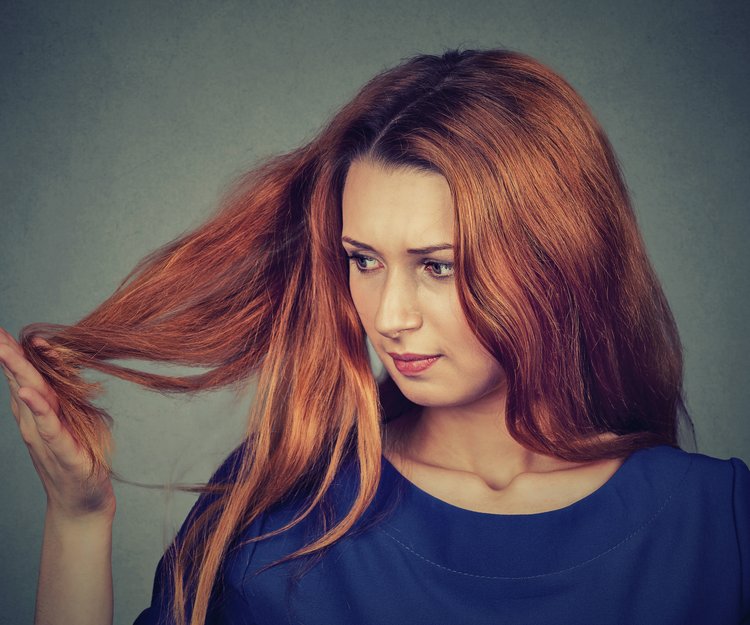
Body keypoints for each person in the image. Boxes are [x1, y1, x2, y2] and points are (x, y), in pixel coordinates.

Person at [1, 47, 748, 625]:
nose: (389, 315)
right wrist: (77, 516)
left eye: (437, 266)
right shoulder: (281, 501)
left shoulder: (721, 520)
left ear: (558, 260)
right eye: (363, 260)